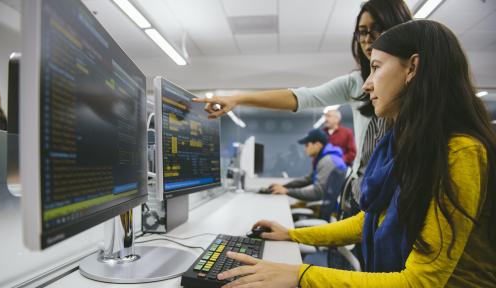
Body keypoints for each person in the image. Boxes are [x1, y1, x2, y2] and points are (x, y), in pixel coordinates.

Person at [216, 20, 496, 288]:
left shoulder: (460, 152)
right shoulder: (402, 145)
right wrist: (291, 234)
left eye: (376, 68)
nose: (367, 84)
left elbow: (419, 282)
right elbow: (369, 220)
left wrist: (300, 275)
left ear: (412, 68)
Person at [194, 0, 413, 215]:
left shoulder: (424, 97)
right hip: (366, 196)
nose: (367, 40)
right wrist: (239, 99)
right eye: (361, 32)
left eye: (376, 30)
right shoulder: (356, 83)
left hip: (401, 196)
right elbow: (303, 97)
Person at [270, 129, 346, 206]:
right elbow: (308, 179)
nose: (305, 149)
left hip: (329, 210)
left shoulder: (328, 161)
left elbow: (318, 192)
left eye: (307, 145)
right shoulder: (324, 158)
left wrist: (287, 191)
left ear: (317, 145)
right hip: (324, 205)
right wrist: (284, 186)